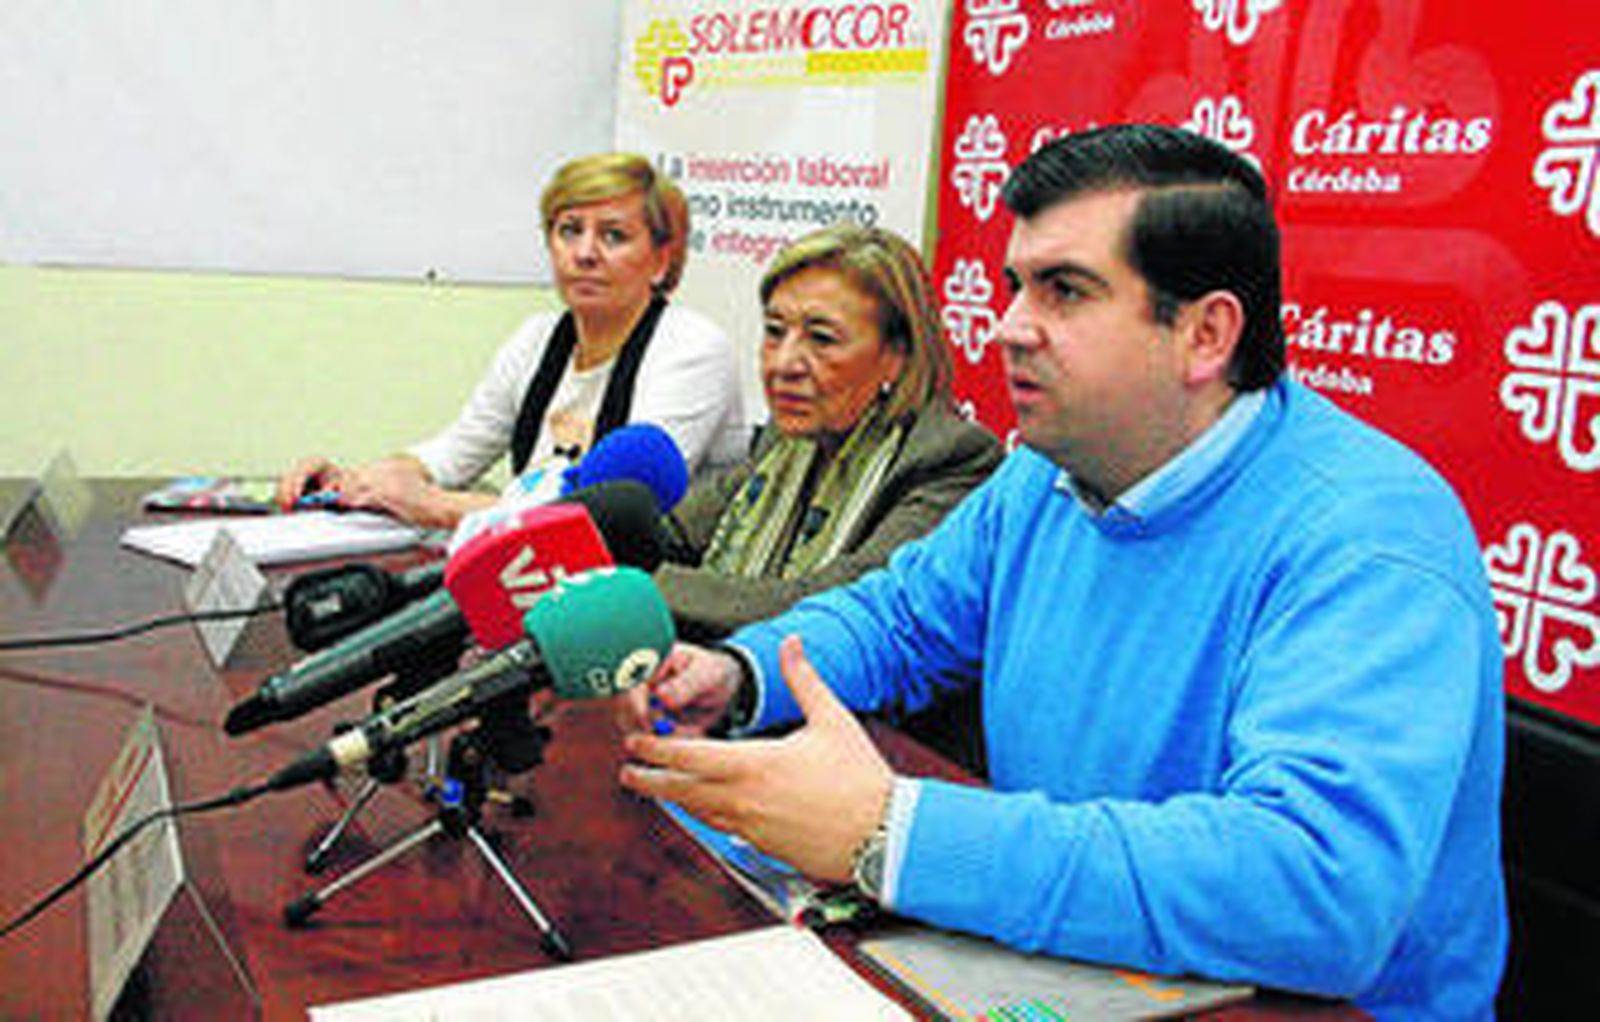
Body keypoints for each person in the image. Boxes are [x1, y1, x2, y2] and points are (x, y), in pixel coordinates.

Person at [617, 125, 1506, 1019]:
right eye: (1016, 287)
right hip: (1083, 966)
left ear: (1205, 334)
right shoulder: (1044, 472)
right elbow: (902, 618)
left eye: (1065, 291)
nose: (1009, 327)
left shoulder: (1368, 536)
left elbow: (1317, 889)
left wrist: (894, 832)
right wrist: (740, 674)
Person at [275, 152, 741, 529]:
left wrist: (434, 505)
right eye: (569, 230)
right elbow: (456, 452)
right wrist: (360, 484)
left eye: (613, 236)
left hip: (654, 593)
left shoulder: (693, 349)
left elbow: (604, 511)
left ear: (661, 261)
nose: (584, 253)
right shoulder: (536, 339)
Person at [653, 225, 1002, 644]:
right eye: (775, 331)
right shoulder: (787, 438)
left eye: (821, 339)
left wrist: (632, 586)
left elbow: (828, 605)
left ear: (898, 356)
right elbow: (671, 533)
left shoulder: (949, 459)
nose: (783, 364)